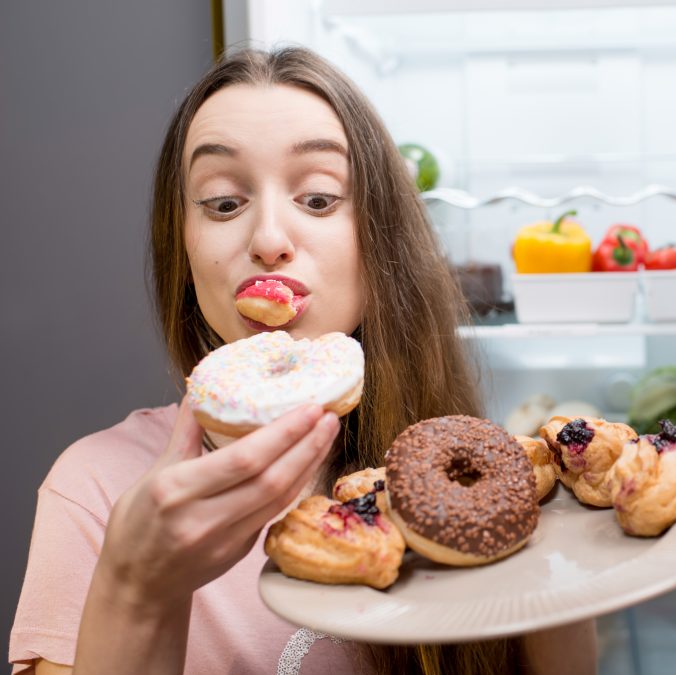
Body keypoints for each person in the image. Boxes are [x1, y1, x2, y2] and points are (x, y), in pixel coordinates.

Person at [10, 47, 597, 675]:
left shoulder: (484, 488)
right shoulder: (98, 490)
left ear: (382, 240)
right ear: (180, 245)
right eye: (223, 202)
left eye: (318, 199)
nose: (267, 240)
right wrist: (138, 588)